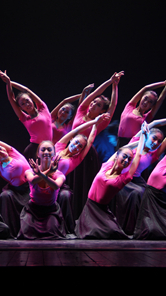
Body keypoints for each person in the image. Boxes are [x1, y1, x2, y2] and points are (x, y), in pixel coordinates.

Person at [112, 111, 166, 235]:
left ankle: (153, 225)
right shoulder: (136, 141)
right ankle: (130, 227)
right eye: (154, 138)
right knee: (137, 193)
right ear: (148, 136)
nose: (156, 142)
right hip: (123, 177)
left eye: (159, 141)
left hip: (137, 180)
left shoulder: (153, 155)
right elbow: (155, 123)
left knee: (150, 194)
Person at [75, 123, 146, 239]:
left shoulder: (124, 178)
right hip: (90, 207)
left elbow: (138, 155)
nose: (126, 160)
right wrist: (138, 139)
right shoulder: (107, 166)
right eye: (124, 156)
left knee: (111, 233)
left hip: (101, 210)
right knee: (91, 233)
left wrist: (143, 135)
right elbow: (124, 148)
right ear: (117, 156)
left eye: (129, 159)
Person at [68, 71, 123, 218]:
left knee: (83, 185)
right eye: (93, 102)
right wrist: (110, 81)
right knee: (70, 183)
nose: (93, 104)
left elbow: (113, 105)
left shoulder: (101, 122)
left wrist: (115, 86)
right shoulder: (81, 110)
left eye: (98, 105)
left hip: (87, 154)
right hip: (71, 151)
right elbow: (94, 94)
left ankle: (83, 216)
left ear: (102, 111)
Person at [54, 113, 110, 233]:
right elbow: (77, 130)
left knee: (65, 195)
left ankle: (62, 227)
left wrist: (95, 126)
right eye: (75, 142)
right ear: (71, 140)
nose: (76, 146)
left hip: (57, 185)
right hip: (44, 179)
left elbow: (89, 142)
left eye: (79, 146)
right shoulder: (59, 146)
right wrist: (94, 121)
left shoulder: (75, 160)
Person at [0, 70, 53, 161]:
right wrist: (8, 83)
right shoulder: (24, 118)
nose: (27, 104)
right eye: (23, 104)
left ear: (31, 99)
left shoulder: (43, 109)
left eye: (27, 100)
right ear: (21, 108)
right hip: (34, 150)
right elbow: (11, 99)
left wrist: (10, 81)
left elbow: (26, 90)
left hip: (48, 148)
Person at [16, 141, 67, 240]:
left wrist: (42, 173)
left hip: (51, 210)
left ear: (54, 154)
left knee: (52, 234)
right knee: (27, 233)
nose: (46, 152)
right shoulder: (30, 171)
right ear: (38, 154)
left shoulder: (59, 174)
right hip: (33, 210)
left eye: (49, 150)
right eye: (43, 150)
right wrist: (47, 172)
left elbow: (56, 186)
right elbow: (33, 180)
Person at [117, 72, 166, 148]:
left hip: (133, 146)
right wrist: (164, 83)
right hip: (119, 143)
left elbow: (161, 98)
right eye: (145, 98)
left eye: (150, 102)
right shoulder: (129, 107)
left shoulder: (147, 117)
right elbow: (145, 88)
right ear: (141, 97)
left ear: (152, 106)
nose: (146, 102)